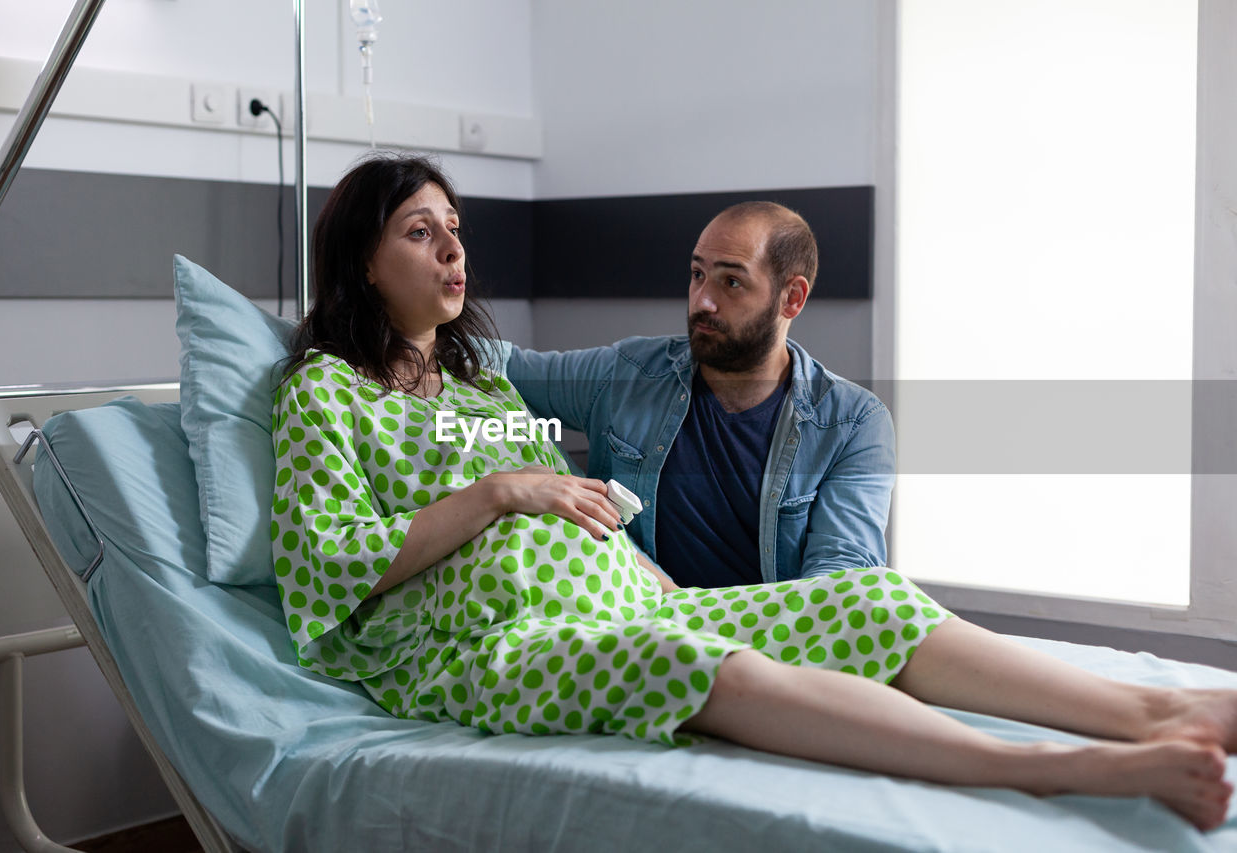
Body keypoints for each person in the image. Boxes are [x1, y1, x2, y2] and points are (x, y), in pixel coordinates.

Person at [271, 152, 1235, 832]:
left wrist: (628, 559)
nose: (455, 253)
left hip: (634, 597)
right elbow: (327, 564)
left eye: (457, 231)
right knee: (704, 663)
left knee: (865, 597)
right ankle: (1051, 774)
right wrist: (501, 494)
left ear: (789, 298)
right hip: (488, 642)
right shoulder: (326, 391)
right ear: (363, 259)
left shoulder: (483, 379)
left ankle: (1149, 714)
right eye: (420, 232)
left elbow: (552, 480)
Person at [496, 201, 890, 588]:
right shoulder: (629, 372)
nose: (702, 300)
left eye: (731, 282)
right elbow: (503, 365)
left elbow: (840, 583)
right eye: (697, 274)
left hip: (769, 635)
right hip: (641, 631)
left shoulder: (853, 422)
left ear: (792, 298)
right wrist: (433, 328)